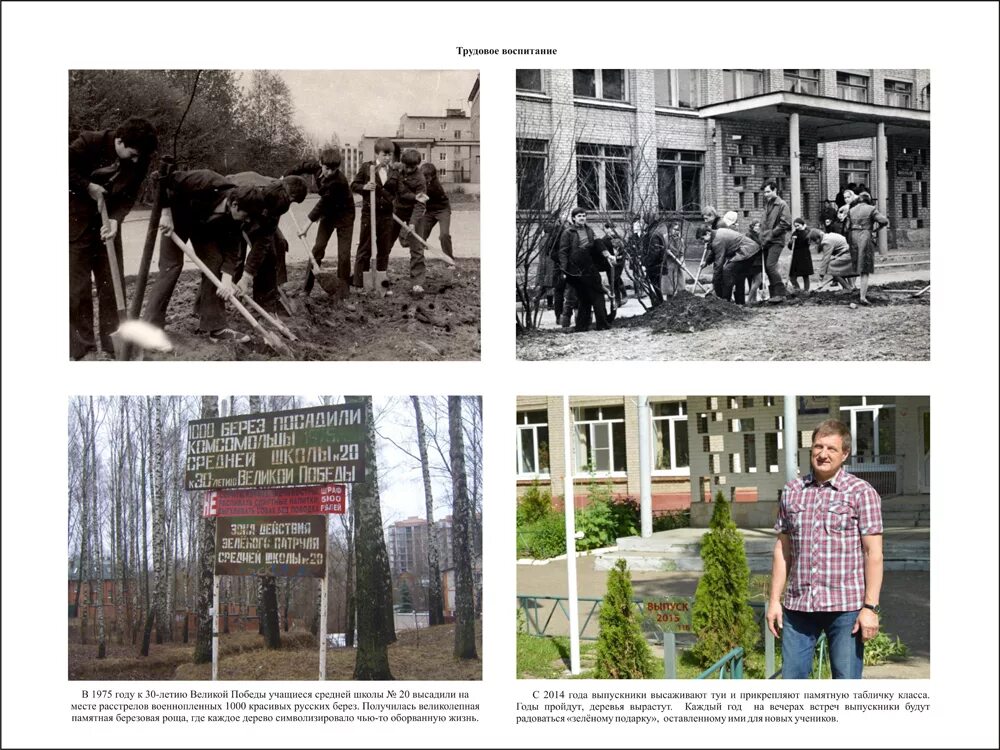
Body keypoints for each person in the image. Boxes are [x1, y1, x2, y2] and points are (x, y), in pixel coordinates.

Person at [766, 419, 883, 680]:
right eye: (818, 446)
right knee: (792, 679)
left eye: (831, 448)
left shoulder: (861, 493)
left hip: (845, 609)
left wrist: (870, 608)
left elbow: (873, 554)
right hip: (799, 607)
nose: (823, 454)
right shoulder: (792, 491)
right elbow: (782, 549)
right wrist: (774, 601)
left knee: (845, 680)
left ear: (845, 454)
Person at [69, 116, 158, 359]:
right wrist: (87, 186)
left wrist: (117, 219)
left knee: (111, 284)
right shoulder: (89, 142)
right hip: (75, 221)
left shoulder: (141, 158)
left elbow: (130, 195)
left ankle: (113, 345)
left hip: (108, 223)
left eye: (140, 156)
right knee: (77, 289)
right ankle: (82, 349)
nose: (137, 160)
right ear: (119, 141)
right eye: (132, 153)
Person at [144, 169, 258, 343]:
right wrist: (165, 213)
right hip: (176, 220)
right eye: (247, 216)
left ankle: (216, 328)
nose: (248, 221)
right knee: (172, 267)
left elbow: (231, 248)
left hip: (204, 227)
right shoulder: (205, 181)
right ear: (235, 204)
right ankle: (150, 326)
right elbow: (158, 177)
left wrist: (227, 279)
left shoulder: (236, 217)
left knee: (216, 263)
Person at [288, 148, 356, 295]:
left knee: (344, 256)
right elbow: (301, 167)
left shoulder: (339, 181)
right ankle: (306, 288)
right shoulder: (316, 167)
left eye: (334, 169)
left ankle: (343, 291)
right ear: (321, 163)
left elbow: (322, 204)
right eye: (327, 169)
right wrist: (285, 177)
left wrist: (306, 226)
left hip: (345, 216)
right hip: (329, 215)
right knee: (318, 249)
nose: (329, 172)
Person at [556, 207, 612, 332]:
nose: (582, 218)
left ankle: (598, 324)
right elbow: (563, 252)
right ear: (574, 218)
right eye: (579, 216)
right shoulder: (568, 232)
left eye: (584, 215)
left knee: (596, 294)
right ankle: (584, 326)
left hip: (589, 265)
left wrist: (608, 255)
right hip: (575, 269)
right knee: (584, 297)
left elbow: (598, 244)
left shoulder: (589, 230)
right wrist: (564, 271)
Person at [350, 138, 396, 290]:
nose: (387, 158)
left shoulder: (394, 172)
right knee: (365, 247)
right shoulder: (366, 168)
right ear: (377, 154)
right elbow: (354, 185)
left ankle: (381, 282)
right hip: (369, 214)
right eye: (384, 155)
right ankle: (358, 282)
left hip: (386, 216)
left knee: (384, 248)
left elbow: (398, 191)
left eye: (390, 155)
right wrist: (364, 186)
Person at [847, 190, 889, 305]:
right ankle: (862, 297)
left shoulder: (851, 210)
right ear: (868, 200)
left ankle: (854, 289)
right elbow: (884, 221)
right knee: (865, 269)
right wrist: (876, 229)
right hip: (865, 237)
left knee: (858, 267)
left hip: (853, 238)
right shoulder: (871, 209)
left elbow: (847, 227)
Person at [700, 224, 760, 304]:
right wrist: (707, 262)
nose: (702, 241)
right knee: (739, 276)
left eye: (702, 238)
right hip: (750, 249)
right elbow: (715, 252)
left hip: (747, 251)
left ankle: (725, 302)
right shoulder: (717, 234)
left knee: (727, 271)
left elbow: (719, 263)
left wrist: (714, 283)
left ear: (708, 233)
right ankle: (740, 303)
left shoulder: (718, 240)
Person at [759, 179, 792, 302]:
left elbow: (786, 223)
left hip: (776, 240)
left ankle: (781, 293)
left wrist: (771, 234)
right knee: (768, 268)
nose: (765, 194)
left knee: (770, 265)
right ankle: (774, 295)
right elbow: (764, 223)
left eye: (768, 192)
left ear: (775, 190)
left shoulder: (782, 204)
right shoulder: (767, 205)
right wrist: (762, 236)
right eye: (764, 192)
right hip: (766, 241)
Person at [415, 161, 454, 262]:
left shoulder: (435, 187)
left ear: (432, 177)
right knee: (421, 236)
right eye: (422, 176)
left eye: (426, 177)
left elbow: (420, 197)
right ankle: (418, 260)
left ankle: (449, 260)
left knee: (444, 235)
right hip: (429, 212)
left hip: (442, 210)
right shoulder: (421, 181)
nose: (424, 179)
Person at [787, 217, 814, 293]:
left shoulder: (807, 232)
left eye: (798, 225)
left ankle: (806, 291)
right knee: (792, 277)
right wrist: (791, 242)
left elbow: (806, 241)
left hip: (804, 256)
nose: (797, 227)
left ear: (803, 225)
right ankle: (798, 290)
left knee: (805, 275)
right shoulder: (794, 233)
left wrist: (802, 231)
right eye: (795, 226)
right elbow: (790, 247)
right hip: (795, 257)